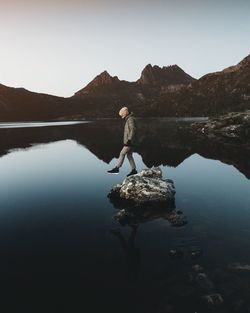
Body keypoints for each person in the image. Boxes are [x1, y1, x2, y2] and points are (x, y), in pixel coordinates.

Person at [107, 106, 138, 177]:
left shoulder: (130, 119)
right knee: (129, 155)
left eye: (122, 115)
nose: (121, 117)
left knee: (122, 153)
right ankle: (134, 170)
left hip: (130, 141)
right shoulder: (129, 119)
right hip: (131, 141)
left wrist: (129, 140)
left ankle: (117, 168)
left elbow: (133, 130)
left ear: (125, 113)